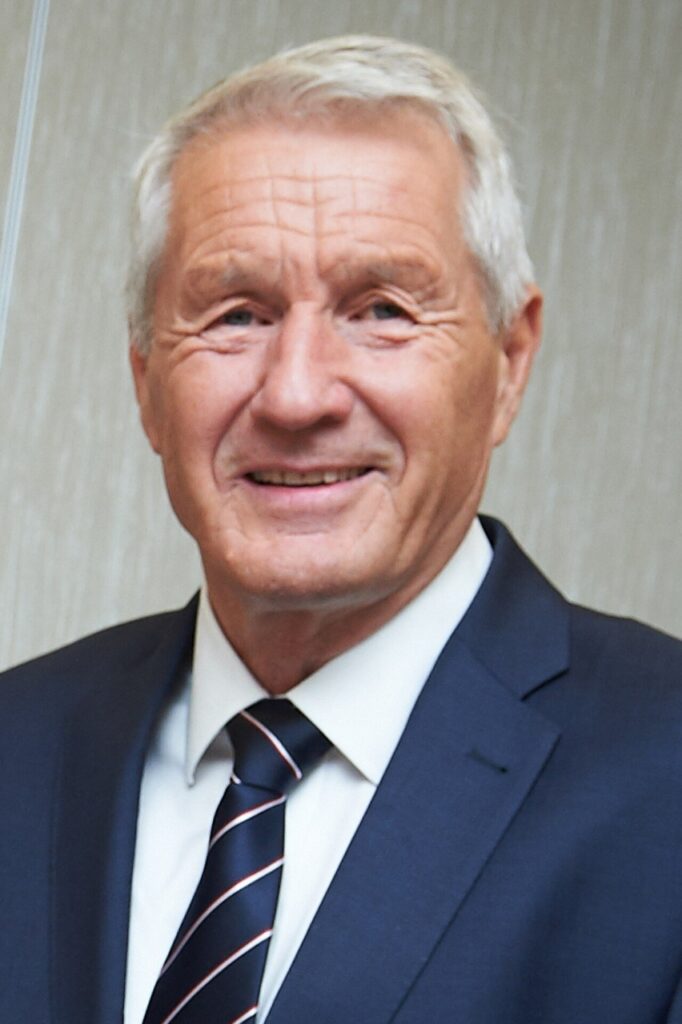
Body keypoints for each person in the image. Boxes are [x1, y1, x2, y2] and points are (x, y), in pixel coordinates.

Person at [0, 34, 680, 1024]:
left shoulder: (664, 777)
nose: (296, 394)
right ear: (146, 382)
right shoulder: (16, 743)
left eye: (381, 310)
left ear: (508, 362)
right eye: (236, 315)